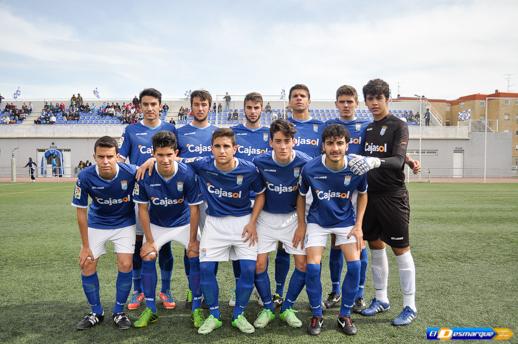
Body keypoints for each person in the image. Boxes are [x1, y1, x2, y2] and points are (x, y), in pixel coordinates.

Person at [348, 79, 417, 326]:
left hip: (392, 196)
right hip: (369, 196)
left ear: (387, 99)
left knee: (401, 249)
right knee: (376, 246)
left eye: (379, 98)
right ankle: (381, 299)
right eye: (370, 99)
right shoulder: (367, 130)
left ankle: (410, 305)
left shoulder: (399, 125)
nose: (374, 103)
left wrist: (376, 161)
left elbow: (397, 161)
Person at [187, 128, 265, 335]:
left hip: (243, 224)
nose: (222, 151)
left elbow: (260, 195)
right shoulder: (202, 165)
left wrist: (253, 222)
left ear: (235, 149)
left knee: (249, 270)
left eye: (226, 146)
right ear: (211, 148)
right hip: (214, 224)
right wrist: (150, 161)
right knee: (206, 270)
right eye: (218, 146)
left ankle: (238, 314)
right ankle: (214, 315)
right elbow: (175, 160)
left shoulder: (249, 169)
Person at [298, 124, 368, 336]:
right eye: (330, 143)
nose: (335, 148)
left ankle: (344, 315)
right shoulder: (310, 168)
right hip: (317, 221)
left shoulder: (357, 168)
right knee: (312, 268)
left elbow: (363, 194)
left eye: (339, 143)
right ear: (323, 146)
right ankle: (317, 314)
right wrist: (301, 225)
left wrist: (359, 227)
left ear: (347, 146)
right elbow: (301, 196)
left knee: (355, 266)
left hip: (346, 221)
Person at [132, 131, 205, 329]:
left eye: (169, 155)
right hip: (157, 224)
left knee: (195, 253)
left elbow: (194, 209)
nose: (165, 160)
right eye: (160, 155)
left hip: (183, 222)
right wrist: (148, 240)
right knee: (147, 255)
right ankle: (150, 309)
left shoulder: (187, 173)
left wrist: (192, 240)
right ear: (153, 154)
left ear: (176, 153)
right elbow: (143, 210)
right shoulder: (144, 174)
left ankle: (197, 308)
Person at [118, 88, 179, 312]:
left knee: (164, 245)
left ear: (160, 105)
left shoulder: (170, 128)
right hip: (139, 196)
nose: (150, 108)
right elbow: (120, 160)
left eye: (154, 104)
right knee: (137, 245)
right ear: (140, 107)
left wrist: (153, 161)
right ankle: (138, 290)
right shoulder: (131, 130)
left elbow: (176, 156)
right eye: (146, 104)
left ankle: (166, 289)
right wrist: (141, 166)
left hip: (165, 195)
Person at [72, 136, 136, 330]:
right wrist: (85, 246)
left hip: (124, 223)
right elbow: (81, 212)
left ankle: (119, 311)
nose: (105, 161)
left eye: (110, 156)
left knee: (125, 264)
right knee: (87, 264)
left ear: (117, 156)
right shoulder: (85, 176)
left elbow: (149, 172)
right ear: (94, 157)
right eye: (101, 157)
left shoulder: (131, 172)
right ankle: (96, 312)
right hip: (97, 223)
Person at [252, 119, 311, 329]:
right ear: (271, 143)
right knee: (258, 264)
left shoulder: (305, 162)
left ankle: (287, 306)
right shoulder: (259, 162)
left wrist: (303, 224)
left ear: (294, 141)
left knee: (302, 265)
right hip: (265, 218)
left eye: (287, 141)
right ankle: (268, 306)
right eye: (278, 141)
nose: (283, 146)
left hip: (294, 219)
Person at [175, 90, 218, 307]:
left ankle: (208, 288)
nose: (200, 108)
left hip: (212, 197)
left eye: (204, 104)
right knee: (190, 244)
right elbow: (172, 159)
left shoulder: (219, 133)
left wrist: (189, 160)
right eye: (196, 104)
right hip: (188, 197)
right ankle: (193, 290)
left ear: (210, 106)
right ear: (190, 107)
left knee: (211, 244)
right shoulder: (180, 133)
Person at [229, 92, 270, 307]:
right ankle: (239, 288)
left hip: (264, 197)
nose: (253, 112)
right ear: (243, 109)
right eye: (249, 107)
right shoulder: (233, 133)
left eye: (256, 108)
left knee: (262, 246)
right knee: (240, 245)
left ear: (262, 109)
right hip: (239, 199)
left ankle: (261, 291)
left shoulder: (269, 134)